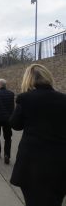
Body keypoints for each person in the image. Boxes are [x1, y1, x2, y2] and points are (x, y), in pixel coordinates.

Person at [9, 64, 66, 206]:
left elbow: (15, 125)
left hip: (32, 163)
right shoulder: (63, 99)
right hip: (59, 163)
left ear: (28, 79)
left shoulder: (25, 98)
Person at [0, 79, 15, 164]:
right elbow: (12, 106)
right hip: (8, 119)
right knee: (8, 138)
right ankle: (7, 155)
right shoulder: (11, 94)